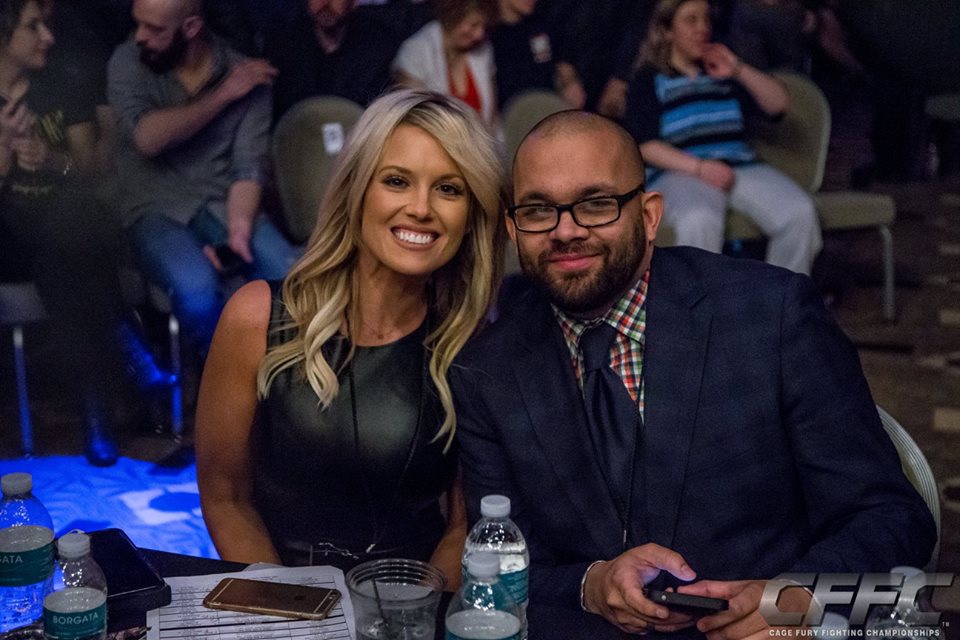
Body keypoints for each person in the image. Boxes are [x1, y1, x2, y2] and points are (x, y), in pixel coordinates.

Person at [450, 109, 936, 638]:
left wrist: (796, 599)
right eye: (539, 210)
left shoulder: (771, 316)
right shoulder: (487, 367)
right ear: (512, 226)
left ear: (650, 215)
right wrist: (592, 585)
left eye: (595, 204)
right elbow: (500, 564)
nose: (566, 230)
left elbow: (890, 517)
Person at [195, 90, 504, 584]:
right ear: (358, 191)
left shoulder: (472, 345)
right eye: (397, 181)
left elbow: (463, 527)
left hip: (410, 606)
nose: (421, 208)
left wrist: (410, 618)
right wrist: (292, 617)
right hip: (281, 600)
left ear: (470, 216)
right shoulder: (256, 316)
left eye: (449, 189)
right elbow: (224, 495)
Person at [0, 0, 174, 466]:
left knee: (64, 252)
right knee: (67, 238)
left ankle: (96, 415)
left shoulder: (58, 81)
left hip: (62, 233)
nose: (48, 37)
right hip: (8, 237)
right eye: (33, 27)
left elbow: (93, 169)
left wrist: (51, 159)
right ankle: (128, 348)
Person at [107, 0, 300, 356]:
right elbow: (147, 138)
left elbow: (247, 168)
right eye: (138, 24)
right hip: (154, 208)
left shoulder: (247, 74)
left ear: (191, 28)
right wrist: (223, 93)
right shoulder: (128, 61)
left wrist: (240, 230)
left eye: (155, 29)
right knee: (197, 292)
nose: (140, 37)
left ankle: (281, 390)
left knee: (290, 279)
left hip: (223, 201)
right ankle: (222, 387)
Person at [624, 0, 821, 275]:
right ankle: (702, 314)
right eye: (691, 21)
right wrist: (700, 168)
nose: (702, 28)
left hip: (738, 165)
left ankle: (777, 309)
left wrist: (738, 69)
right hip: (680, 170)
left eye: (706, 20)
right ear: (668, 31)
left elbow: (778, 105)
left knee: (799, 213)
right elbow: (644, 144)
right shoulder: (650, 78)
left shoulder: (722, 72)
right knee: (699, 219)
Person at [264, 0, 411, 120]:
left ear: (353, 3)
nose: (325, 3)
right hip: (298, 142)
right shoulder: (284, 46)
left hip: (359, 139)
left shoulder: (378, 46)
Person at [392, 0, 499, 131]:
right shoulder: (415, 52)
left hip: (480, 144)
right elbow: (416, 116)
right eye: (473, 25)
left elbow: (492, 119)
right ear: (453, 16)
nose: (479, 34)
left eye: (485, 27)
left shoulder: (483, 50)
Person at [490, 0, 585, 110]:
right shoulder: (486, 34)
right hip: (511, 113)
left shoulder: (543, 24)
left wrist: (570, 83)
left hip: (549, 105)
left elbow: (563, 63)